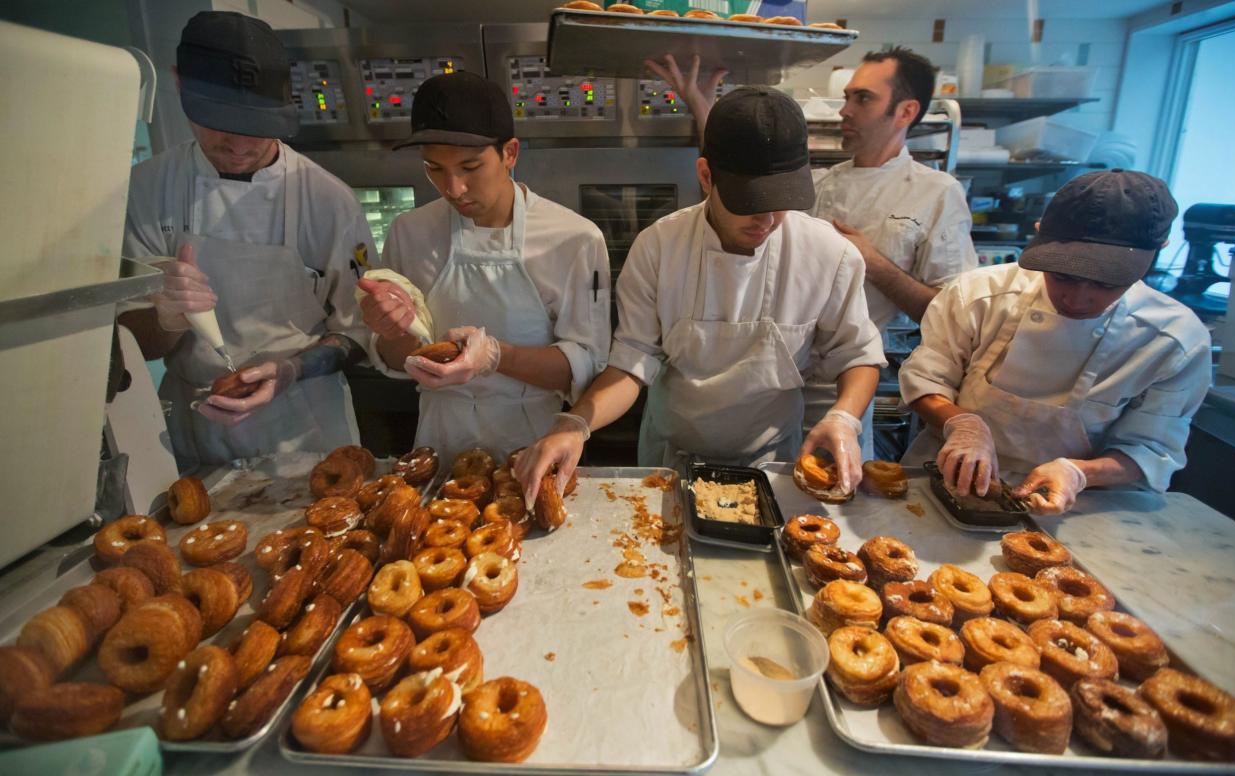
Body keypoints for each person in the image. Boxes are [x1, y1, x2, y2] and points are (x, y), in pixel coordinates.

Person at [515, 86, 885, 502]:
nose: (767, 220)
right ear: (706, 176)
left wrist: (844, 417)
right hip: (674, 461)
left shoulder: (828, 255)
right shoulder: (659, 248)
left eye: (782, 201)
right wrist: (576, 423)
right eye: (750, 202)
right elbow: (632, 364)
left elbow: (858, 355)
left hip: (773, 466)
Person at [646, 49, 974, 457]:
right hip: (774, 381)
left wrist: (877, 266)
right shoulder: (819, 182)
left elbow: (955, 319)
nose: (845, 110)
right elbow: (734, 201)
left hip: (845, 386)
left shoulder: (937, 193)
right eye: (847, 96)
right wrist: (704, 110)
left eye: (863, 98)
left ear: (906, 111)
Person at [120, 11, 374, 470]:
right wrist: (168, 317)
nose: (238, 143)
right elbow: (136, 345)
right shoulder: (146, 191)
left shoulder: (326, 200)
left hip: (305, 430)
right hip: (192, 434)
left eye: (256, 124)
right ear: (178, 85)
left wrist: (293, 369)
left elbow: (357, 331)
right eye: (218, 121)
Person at [899, 170, 1212, 515]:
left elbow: (1150, 450)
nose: (1078, 299)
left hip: (1080, 506)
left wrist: (1079, 472)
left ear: (1158, 251)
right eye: (1062, 276)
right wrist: (964, 424)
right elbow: (927, 381)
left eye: (1106, 283)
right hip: (941, 483)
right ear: (1039, 236)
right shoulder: (979, 296)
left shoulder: (1173, 341)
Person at [357, 72, 610, 461]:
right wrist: (391, 330)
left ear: (510, 153)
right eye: (434, 168)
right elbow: (398, 360)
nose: (453, 188)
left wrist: (494, 357)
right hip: (439, 441)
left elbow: (586, 368)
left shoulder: (573, 238)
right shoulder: (410, 232)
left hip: (535, 444)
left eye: (470, 167)